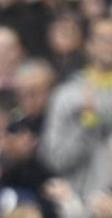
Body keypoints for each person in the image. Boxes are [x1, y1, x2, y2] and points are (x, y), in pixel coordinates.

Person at [42, 16, 112, 200]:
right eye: (104, 40)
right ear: (89, 45)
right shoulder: (67, 95)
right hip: (80, 201)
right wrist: (87, 126)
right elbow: (55, 159)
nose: (110, 45)